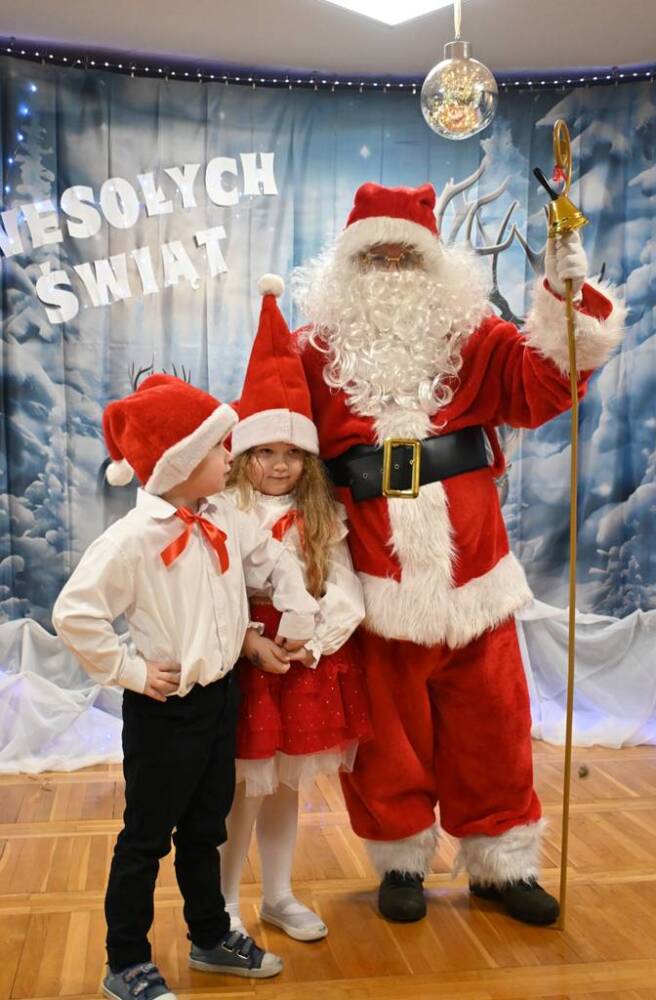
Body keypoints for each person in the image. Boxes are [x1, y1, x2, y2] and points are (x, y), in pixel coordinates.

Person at [290, 181, 625, 925]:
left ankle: (502, 864)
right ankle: (401, 861)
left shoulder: (475, 337)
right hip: (373, 572)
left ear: (434, 263)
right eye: (374, 257)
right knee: (386, 733)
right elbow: (279, 443)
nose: (390, 272)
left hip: (476, 572)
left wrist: (565, 299)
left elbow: (546, 385)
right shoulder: (312, 351)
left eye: (405, 257)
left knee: (493, 722)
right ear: (347, 265)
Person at [52, 372, 320, 1000]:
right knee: (145, 839)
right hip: (166, 712)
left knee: (206, 830)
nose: (231, 456)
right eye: (219, 447)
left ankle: (210, 935)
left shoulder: (222, 514)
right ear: (180, 461)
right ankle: (125, 962)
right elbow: (75, 614)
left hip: (221, 700)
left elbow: (268, 560)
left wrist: (293, 613)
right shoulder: (133, 539)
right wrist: (132, 672)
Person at [219, 277, 369, 941]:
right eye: (265, 453)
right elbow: (210, 589)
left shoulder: (320, 513)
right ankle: (223, 904)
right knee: (239, 791)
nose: (279, 466)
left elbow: (345, 587)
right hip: (245, 658)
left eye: (291, 455)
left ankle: (278, 894)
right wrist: (250, 639)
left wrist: (316, 641)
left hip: (302, 661)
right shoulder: (224, 509)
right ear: (243, 454)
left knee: (285, 786)